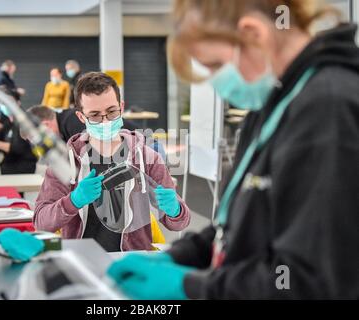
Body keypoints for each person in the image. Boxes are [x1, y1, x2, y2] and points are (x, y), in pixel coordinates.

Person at [107, 0, 359, 299]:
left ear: (253, 34)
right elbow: (242, 222)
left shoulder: (327, 109)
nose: (216, 84)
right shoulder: (274, 102)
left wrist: (191, 288)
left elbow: (306, 282)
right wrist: (182, 255)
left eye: (215, 65)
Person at [34, 72, 190, 252]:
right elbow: (41, 222)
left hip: (131, 262)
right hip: (82, 262)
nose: (105, 121)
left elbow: (179, 223)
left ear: (121, 107)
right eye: (95, 115)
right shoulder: (65, 162)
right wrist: (74, 201)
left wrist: (175, 210)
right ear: (81, 117)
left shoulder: (147, 158)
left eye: (111, 112)